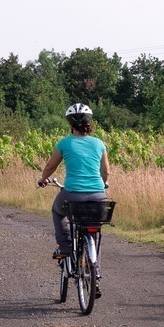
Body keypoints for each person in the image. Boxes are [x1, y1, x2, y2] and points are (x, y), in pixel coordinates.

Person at [37, 103, 110, 263]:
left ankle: (65, 246)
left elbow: (50, 166)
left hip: (72, 195)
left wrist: (43, 179)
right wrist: (103, 184)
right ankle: (95, 275)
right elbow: (106, 172)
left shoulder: (65, 143)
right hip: (98, 195)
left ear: (70, 123)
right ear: (89, 123)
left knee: (57, 211)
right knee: (94, 231)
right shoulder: (99, 144)